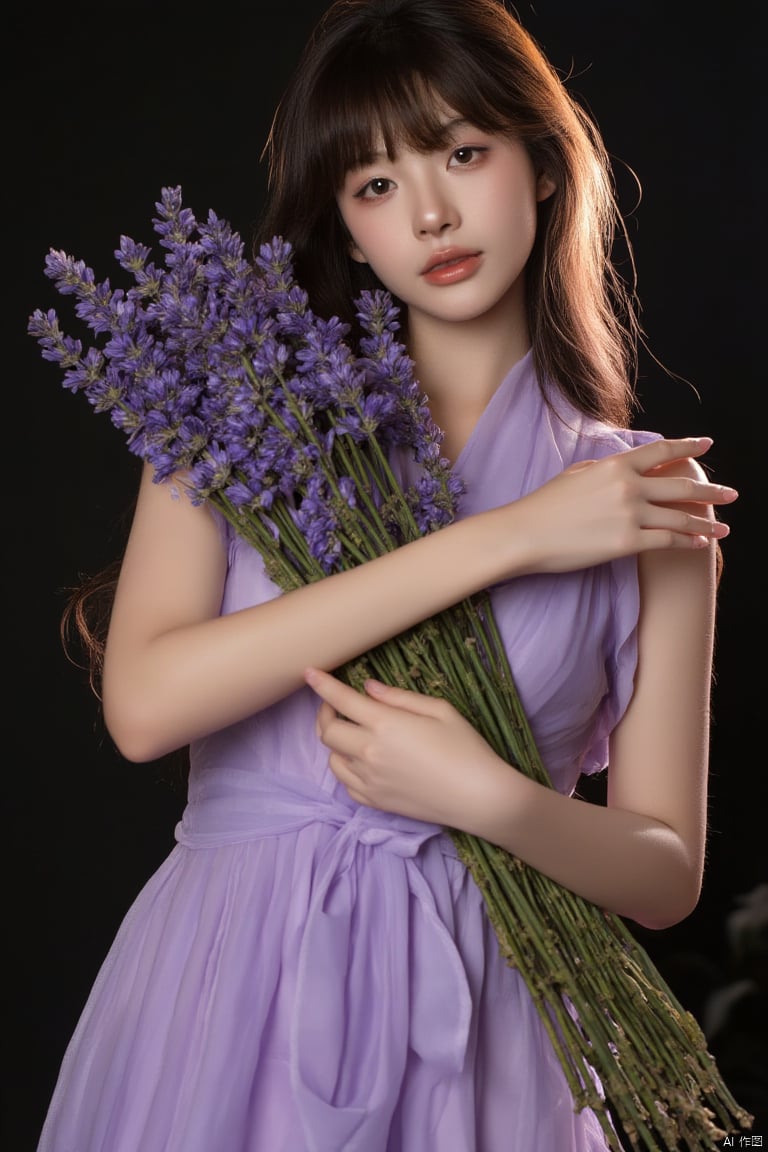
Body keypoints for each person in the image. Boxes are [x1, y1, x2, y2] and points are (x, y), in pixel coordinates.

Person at [37, 1, 739, 1150]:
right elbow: (144, 704)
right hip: (229, 991)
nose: (428, 213)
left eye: (464, 153)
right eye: (372, 184)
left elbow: (664, 874)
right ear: (343, 223)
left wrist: (488, 797)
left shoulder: (637, 495)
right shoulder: (235, 415)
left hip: (494, 1011)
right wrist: (509, 538)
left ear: (544, 166)